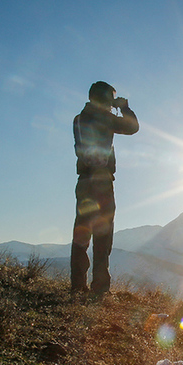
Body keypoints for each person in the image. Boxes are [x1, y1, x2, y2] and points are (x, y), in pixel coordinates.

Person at [70, 81, 139, 294]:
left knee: (82, 233)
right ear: (104, 98)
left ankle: (77, 285)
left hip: (84, 182)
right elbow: (132, 127)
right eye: (110, 98)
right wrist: (124, 108)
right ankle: (100, 287)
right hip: (102, 181)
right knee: (103, 234)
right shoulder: (105, 118)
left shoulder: (79, 118)